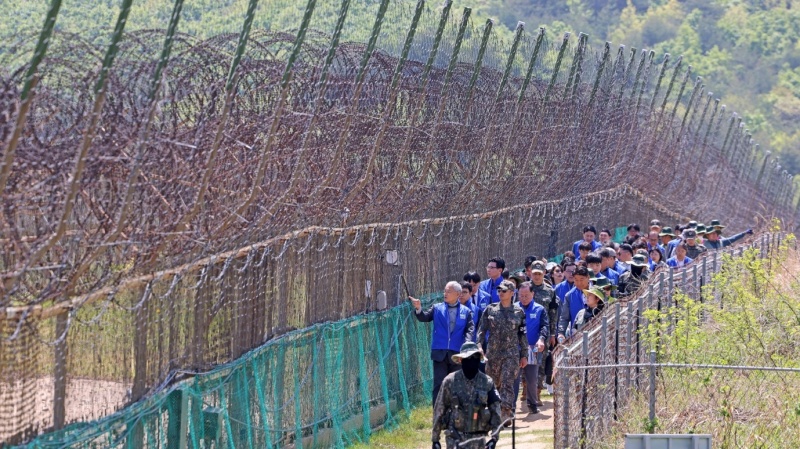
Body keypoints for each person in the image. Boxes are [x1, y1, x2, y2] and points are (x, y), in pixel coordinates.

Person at [411, 281, 475, 406]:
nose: (445, 293)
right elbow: (424, 317)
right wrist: (418, 308)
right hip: (439, 353)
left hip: (457, 354)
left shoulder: (466, 311)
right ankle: (438, 412)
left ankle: (455, 412)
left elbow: (470, 329)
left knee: (456, 385)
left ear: (458, 294)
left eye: (448, 291)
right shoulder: (437, 308)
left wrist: (467, 343)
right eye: (445, 291)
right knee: (439, 385)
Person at [431, 342, 502, 449]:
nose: (472, 361)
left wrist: (494, 438)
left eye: (475, 357)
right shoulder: (450, 381)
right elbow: (439, 410)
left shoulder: (487, 382)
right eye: (468, 358)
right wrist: (435, 439)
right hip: (455, 440)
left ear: (479, 359)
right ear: (461, 360)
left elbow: (495, 411)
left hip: (478, 441)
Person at [476, 280, 527, 421]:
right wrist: (479, 346)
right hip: (493, 354)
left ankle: (506, 412)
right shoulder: (490, 310)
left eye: (504, 291)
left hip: (511, 354)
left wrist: (524, 355)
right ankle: (495, 411)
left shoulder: (519, 312)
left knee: (507, 382)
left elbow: (522, 335)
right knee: (494, 384)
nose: (500, 293)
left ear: (512, 293)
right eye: (499, 290)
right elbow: (481, 330)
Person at [527, 261, 558, 407]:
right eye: (535, 274)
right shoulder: (525, 289)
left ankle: (537, 392)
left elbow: (553, 314)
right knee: (524, 361)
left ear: (544, 273)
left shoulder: (550, 291)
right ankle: (526, 388)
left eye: (539, 274)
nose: (537, 276)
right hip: (526, 331)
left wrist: (552, 334)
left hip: (543, 332)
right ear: (530, 273)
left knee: (540, 362)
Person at [516, 282, 549, 414]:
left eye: (526, 295)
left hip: (532, 347)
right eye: (521, 295)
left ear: (533, 294)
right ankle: (510, 406)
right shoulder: (514, 308)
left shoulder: (539, 309)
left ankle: (532, 403)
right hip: (516, 347)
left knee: (532, 377)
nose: (523, 298)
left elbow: (544, 326)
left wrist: (541, 339)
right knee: (514, 377)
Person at [557, 266, 591, 340]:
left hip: (594, 334)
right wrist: (561, 333)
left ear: (588, 277)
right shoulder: (569, 295)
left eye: (581, 279)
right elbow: (564, 318)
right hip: (576, 337)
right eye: (576, 280)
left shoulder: (596, 293)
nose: (579, 283)